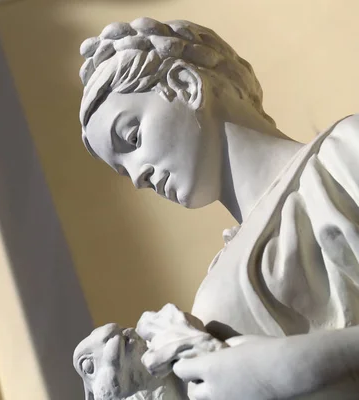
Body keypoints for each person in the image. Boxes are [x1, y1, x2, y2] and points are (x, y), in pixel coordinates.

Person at [78, 17, 359, 399]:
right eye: (123, 172)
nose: (138, 177)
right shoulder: (209, 300)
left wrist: (294, 367)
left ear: (184, 85)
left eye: (132, 137)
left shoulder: (346, 157)